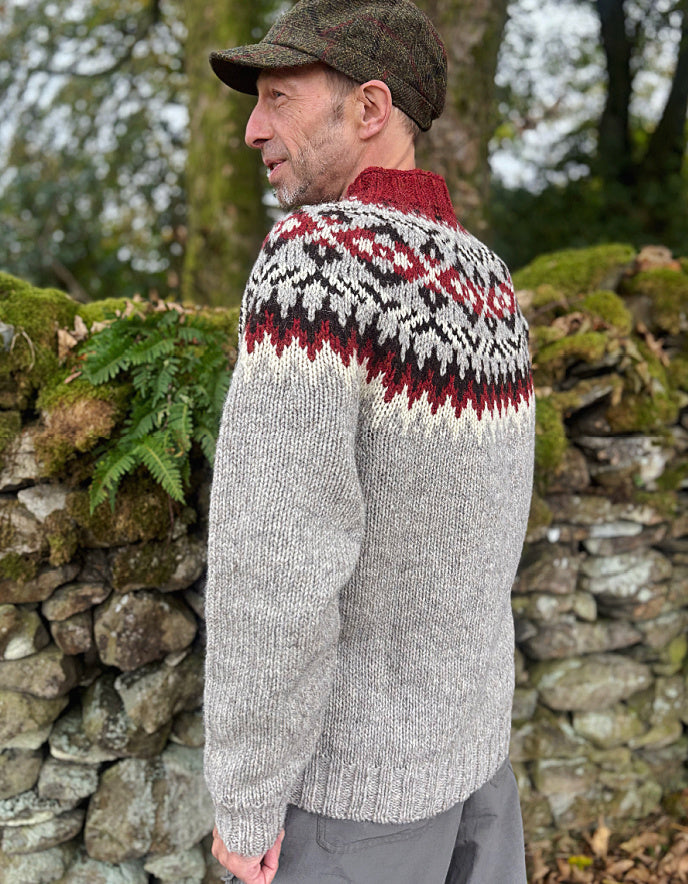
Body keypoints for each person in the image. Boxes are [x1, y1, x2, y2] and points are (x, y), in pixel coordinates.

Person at [203, 1, 535, 882]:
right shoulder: (489, 280)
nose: (252, 129)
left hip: (351, 809)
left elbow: (275, 564)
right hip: (478, 777)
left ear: (369, 107)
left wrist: (246, 796)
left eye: (278, 97)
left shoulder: (316, 260)